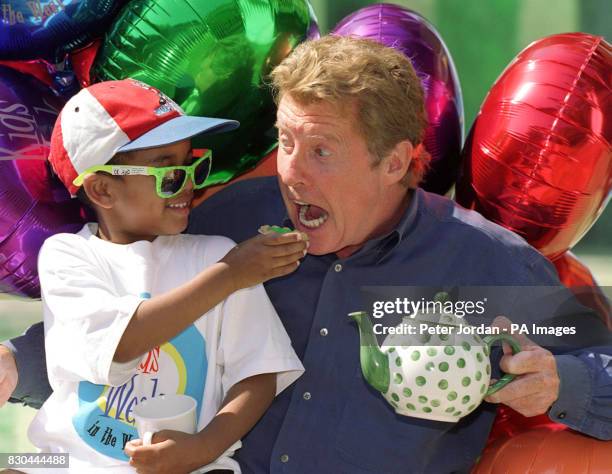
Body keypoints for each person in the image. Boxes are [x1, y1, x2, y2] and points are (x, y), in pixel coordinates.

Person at [2, 36, 612, 473]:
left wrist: (560, 382)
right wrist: (14, 363)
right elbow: (128, 309)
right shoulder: (231, 222)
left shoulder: (489, 264)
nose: (292, 172)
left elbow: (597, 364)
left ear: (395, 162)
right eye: (286, 141)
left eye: (321, 150)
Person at [6, 79, 306, 474]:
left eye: (194, 165)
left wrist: (203, 448)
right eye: (170, 174)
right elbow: (122, 343)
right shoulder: (68, 257)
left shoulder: (215, 254)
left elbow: (259, 372)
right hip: (66, 462)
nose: (190, 186)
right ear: (102, 189)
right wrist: (232, 274)